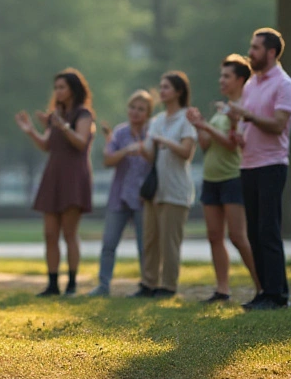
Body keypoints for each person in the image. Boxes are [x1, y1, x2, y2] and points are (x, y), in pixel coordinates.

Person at [227, 28, 291, 310]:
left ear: (271, 52)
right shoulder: (251, 85)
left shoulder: (284, 85)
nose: (251, 52)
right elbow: (248, 125)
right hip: (249, 164)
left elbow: (279, 124)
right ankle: (264, 292)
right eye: (251, 46)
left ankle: (278, 295)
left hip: (271, 165)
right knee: (255, 232)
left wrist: (249, 116)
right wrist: (238, 135)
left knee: (268, 230)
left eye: (256, 47)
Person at [16, 69, 96, 297]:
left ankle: (71, 283)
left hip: (73, 176)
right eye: (56, 87)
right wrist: (31, 130)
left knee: (69, 233)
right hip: (53, 175)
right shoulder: (56, 115)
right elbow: (47, 145)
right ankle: (52, 284)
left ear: (73, 89)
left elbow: (81, 143)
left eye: (62, 87)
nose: (58, 92)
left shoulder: (83, 114)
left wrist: (63, 127)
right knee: (50, 234)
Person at [187, 55, 259, 304]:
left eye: (226, 76)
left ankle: (262, 287)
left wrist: (206, 127)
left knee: (238, 236)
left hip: (232, 178)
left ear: (240, 79)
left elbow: (231, 145)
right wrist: (199, 125)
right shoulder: (223, 110)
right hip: (211, 179)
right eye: (221, 76)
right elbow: (207, 146)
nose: (222, 80)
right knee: (214, 236)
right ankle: (222, 289)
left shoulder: (240, 110)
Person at [88, 90, 153, 297]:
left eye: (141, 109)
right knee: (109, 243)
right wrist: (125, 151)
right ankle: (103, 285)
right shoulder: (120, 132)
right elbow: (107, 160)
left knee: (145, 246)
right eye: (132, 107)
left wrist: (143, 149)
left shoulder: (153, 133)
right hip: (119, 196)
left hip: (143, 198)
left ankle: (148, 285)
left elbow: (158, 162)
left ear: (148, 113)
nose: (135, 112)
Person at [138, 72, 196, 299]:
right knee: (150, 239)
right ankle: (148, 283)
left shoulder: (186, 118)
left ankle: (169, 286)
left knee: (169, 242)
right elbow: (151, 155)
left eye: (166, 87)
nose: (161, 91)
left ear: (179, 92)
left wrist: (164, 141)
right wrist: (143, 148)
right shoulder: (157, 120)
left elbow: (186, 152)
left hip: (176, 190)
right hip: (156, 190)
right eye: (160, 87)